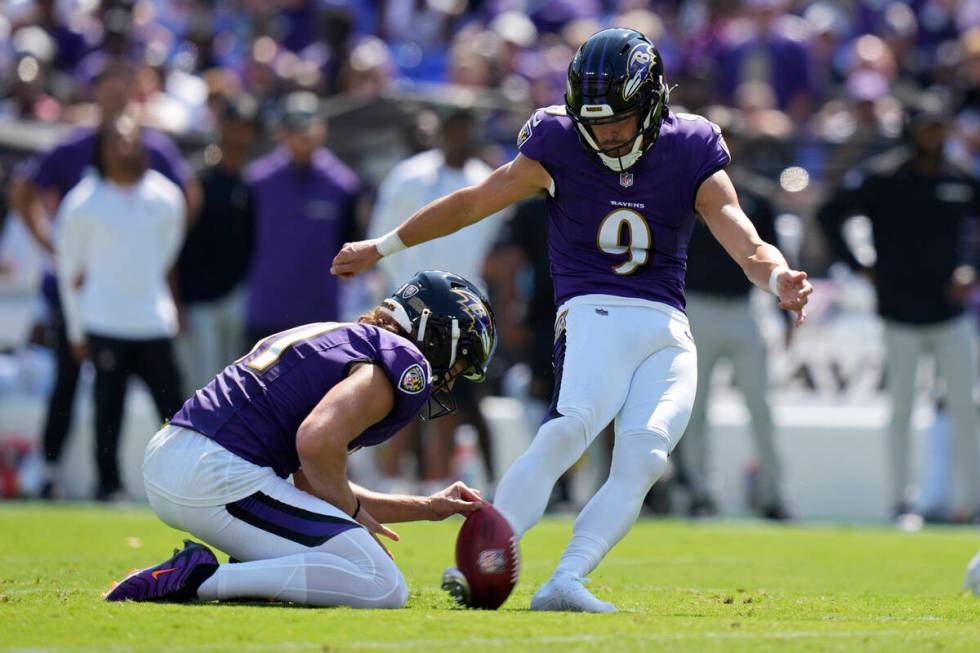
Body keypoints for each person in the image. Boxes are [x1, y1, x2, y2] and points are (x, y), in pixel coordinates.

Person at [332, 28, 812, 612]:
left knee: (645, 457)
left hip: (667, 329)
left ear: (654, 100)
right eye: (596, 120)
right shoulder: (557, 140)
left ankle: (568, 578)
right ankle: (482, 555)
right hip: (593, 312)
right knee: (569, 426)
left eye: (620, 118)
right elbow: (473, 202)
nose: (607, 133)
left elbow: (740, 231)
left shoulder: (691, 145)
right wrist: (382, 246)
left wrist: (777, 276)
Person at [104, 271, 496, 608]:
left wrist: (427, 507)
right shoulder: (399, 361)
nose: (451, 378)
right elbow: (316, 444)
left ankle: (248, 571)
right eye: (459, 361)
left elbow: (316, 481)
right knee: (383, 584)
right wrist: (356, 518)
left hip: (185, 457)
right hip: (217, 472)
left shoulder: (345, 335)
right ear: (438, 333)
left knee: (353, 562)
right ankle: (196, 579)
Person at [7, 58, 198, 499]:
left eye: (122, 86)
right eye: (107, 87)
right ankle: (53, 471)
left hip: (144, 304)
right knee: (79, 393)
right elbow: (24, 192)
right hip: (85, 301)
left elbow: (184, 204)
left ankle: (191, 480)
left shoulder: (158, 166)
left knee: (171, 401)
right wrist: (55, 250)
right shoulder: (74, 162)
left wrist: (155, 262)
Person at [817, 95, 979, 523]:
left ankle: (973, 502)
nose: (934, 137)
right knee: (902, 410)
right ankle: (900, 502)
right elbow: (828, 213)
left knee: (966, 407)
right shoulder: (883, 178)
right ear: (911, 133)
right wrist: (858, 267)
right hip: (899, 313)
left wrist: (971, 269)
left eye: (939, 129)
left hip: (950, 314)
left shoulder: (960, 178)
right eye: (926, 129)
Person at [369, 108, 503, 492]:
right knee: (403, 395)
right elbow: (380, 239)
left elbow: (492, 248)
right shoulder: (408, 177)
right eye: (454, 128)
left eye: (467, 128)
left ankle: (438, 482)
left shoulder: (485, 180)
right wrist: (400, 301)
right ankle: (393, 482)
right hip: (410, 307)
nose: (461, 136)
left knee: (451, 399)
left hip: (466, 313)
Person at [55, 116, 187, 501]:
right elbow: (68, 269)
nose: (123, 148)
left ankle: (183, 483)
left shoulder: (166, 197)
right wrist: (77, 330)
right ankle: (108, 486)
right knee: (107, 412)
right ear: (102, 149)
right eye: (115, 141)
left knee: (176, 413)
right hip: (104, 322)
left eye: (130, 140)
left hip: (153, 322)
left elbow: (168, 249)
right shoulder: (82, 202)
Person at [675, 112, 789, 520]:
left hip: (745, 307)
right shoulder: (684, 192)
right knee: (694, 405)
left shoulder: (758, 196)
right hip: (698, 307)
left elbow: (772, 255)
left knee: (761, 404)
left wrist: (784, 313)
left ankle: (774, 494)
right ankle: (700, 492)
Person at [243, 91, 360, 345]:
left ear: (322, 130)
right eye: (295, 130)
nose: (303, 138)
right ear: (282, 133)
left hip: (320, 318)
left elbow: (351, 243)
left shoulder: (343, 184)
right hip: (267, 313)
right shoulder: (258, 181)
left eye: (308, 129)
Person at [176, 96, 258, 392]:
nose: (241, 135)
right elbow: (174, 244)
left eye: (247, 128)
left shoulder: (250, 182)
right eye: (235, 127)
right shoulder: (197, 180)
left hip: (235, 297)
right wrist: (174, 301)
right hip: (197, 301)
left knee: (233, 386)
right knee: (201, 388)